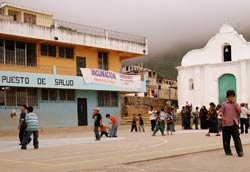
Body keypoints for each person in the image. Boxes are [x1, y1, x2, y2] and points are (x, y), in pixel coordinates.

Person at [221, 90, 244, 157]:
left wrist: (235, 105)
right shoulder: (224, 104)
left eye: (233, 97)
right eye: (230, 97)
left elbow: (239, 111)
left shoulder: (236, 104)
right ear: (227, 97)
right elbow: (220, 112)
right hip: (226, 124)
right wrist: (223, 118)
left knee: (237, 138)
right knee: (226, 139)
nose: (231, 98)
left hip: (234, 123)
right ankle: (227, 151)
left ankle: (240, 151)